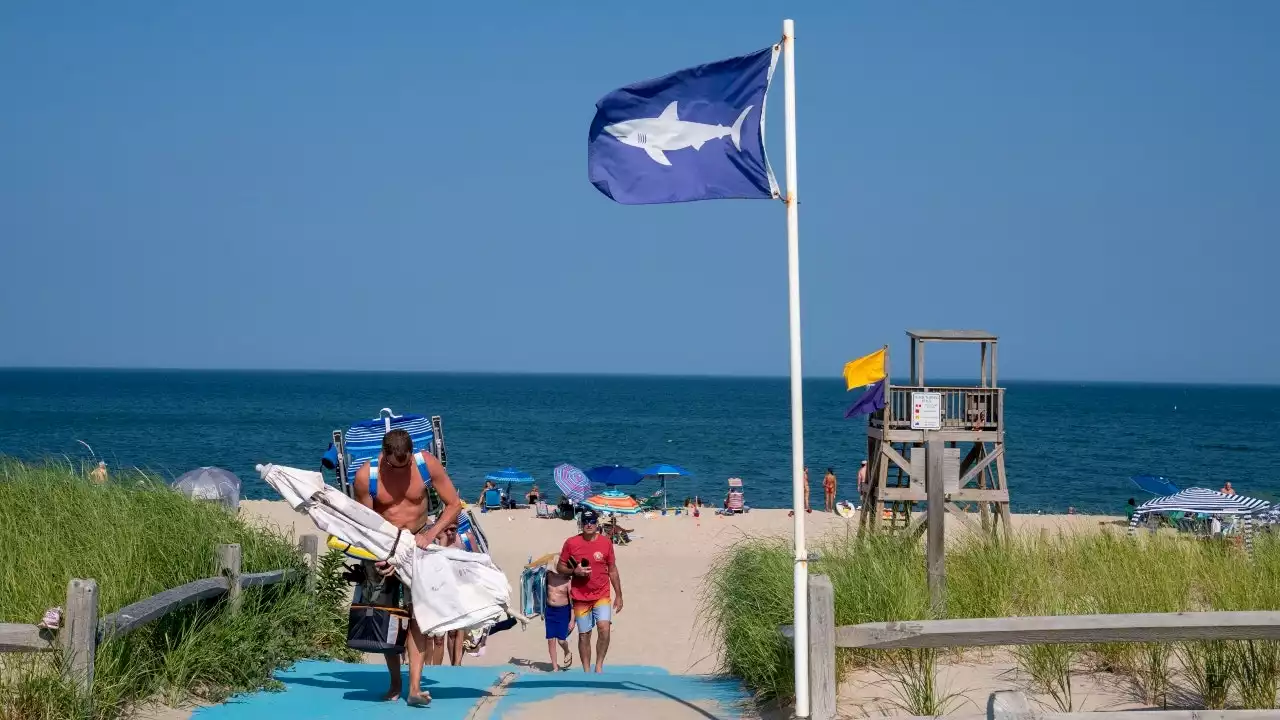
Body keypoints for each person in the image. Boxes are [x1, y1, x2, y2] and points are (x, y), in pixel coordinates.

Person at [352, 429, 463, 708]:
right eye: (393, 464)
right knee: (388, 618)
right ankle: (395, 682)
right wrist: (382, 555)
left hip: (419, 545)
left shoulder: (425, 464)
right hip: (382, 549)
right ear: (384, 455)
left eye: (406, 464)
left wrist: (431, 533)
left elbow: (454, 504)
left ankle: (414, 687)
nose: (401, 469)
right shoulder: (368, 476)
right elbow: (363, 524)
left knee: (418, 617)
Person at [557, 509, 623, 673]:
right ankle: (586, 670)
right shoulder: (571, 543)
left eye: (592, 521)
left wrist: (619, 595)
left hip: (602, 594)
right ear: (581, 524)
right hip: (580, 597)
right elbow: (560, 567)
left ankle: (599, 666)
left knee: (604, 628)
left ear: (597, 523)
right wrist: (574, 572)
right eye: (585, 522)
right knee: (584, 635)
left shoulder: (606, 543)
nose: (589, 525)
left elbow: (613, 570)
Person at [544, 562, 574, 671]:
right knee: (550, 640)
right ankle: (555, 667)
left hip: (563, 611)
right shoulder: (549, 576)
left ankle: (566, 650)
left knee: (561, 640)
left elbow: (572, 603)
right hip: (550, 610)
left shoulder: (567, 581)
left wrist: (572, 619)